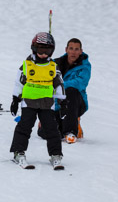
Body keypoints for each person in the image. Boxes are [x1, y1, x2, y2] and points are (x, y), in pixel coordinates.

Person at [9, 32, 66, 169]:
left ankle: (56, 155)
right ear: (34, 48)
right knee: (24, 127)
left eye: (47, 51)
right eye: (41, 50)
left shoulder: (53, 66)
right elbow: (19, 83)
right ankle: (18, 152)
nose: (43, 54)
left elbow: (59, 84)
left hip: (47, 103)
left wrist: (63, 102)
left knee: (52, 129)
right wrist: (15, 99)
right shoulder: (27, 65)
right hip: (29, 102)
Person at [38, 38, 91, 144]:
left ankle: (71, 132)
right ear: (66, 49)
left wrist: (59, 85)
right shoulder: (55, 64)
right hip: (58, 104)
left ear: (81, 51)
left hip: (76, 102)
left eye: (76, 49)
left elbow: (80, 83)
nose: (73, 52)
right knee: (44, 133)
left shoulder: (85, 66)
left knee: (71, 90)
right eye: (71, 48)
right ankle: (72, 124)